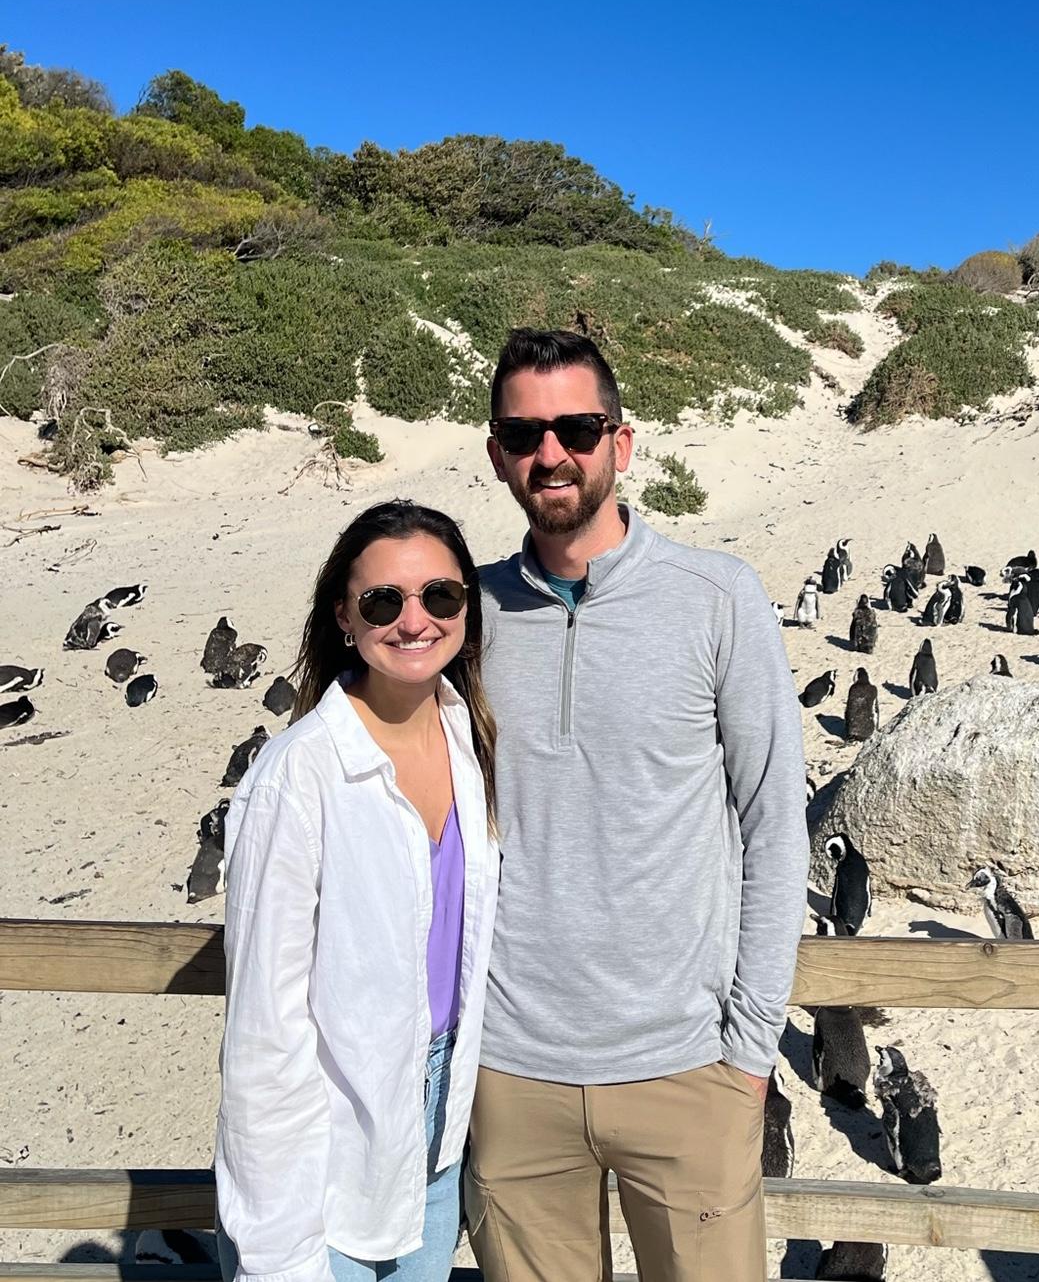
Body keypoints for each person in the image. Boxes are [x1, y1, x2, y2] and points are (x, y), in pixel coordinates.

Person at [466, 329, 808, 1282]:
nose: (551, 453)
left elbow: (776, 824)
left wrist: (748, 1053)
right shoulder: (465, 616)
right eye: (524, 432)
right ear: (497, 453)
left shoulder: (718, 597)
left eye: (577, 426)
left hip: (689, 1068)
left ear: (622, 442)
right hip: (511, 1072)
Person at [216, 501, 501, 1282]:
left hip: (439, 1137)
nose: (415, 620)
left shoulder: (468, 741)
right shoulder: (297, 776)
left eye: (440, 596)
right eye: (383, 602)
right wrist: (279, 1254)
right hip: (330, 1147)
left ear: (467, 612)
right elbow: (264, 1037)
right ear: (344, 618)